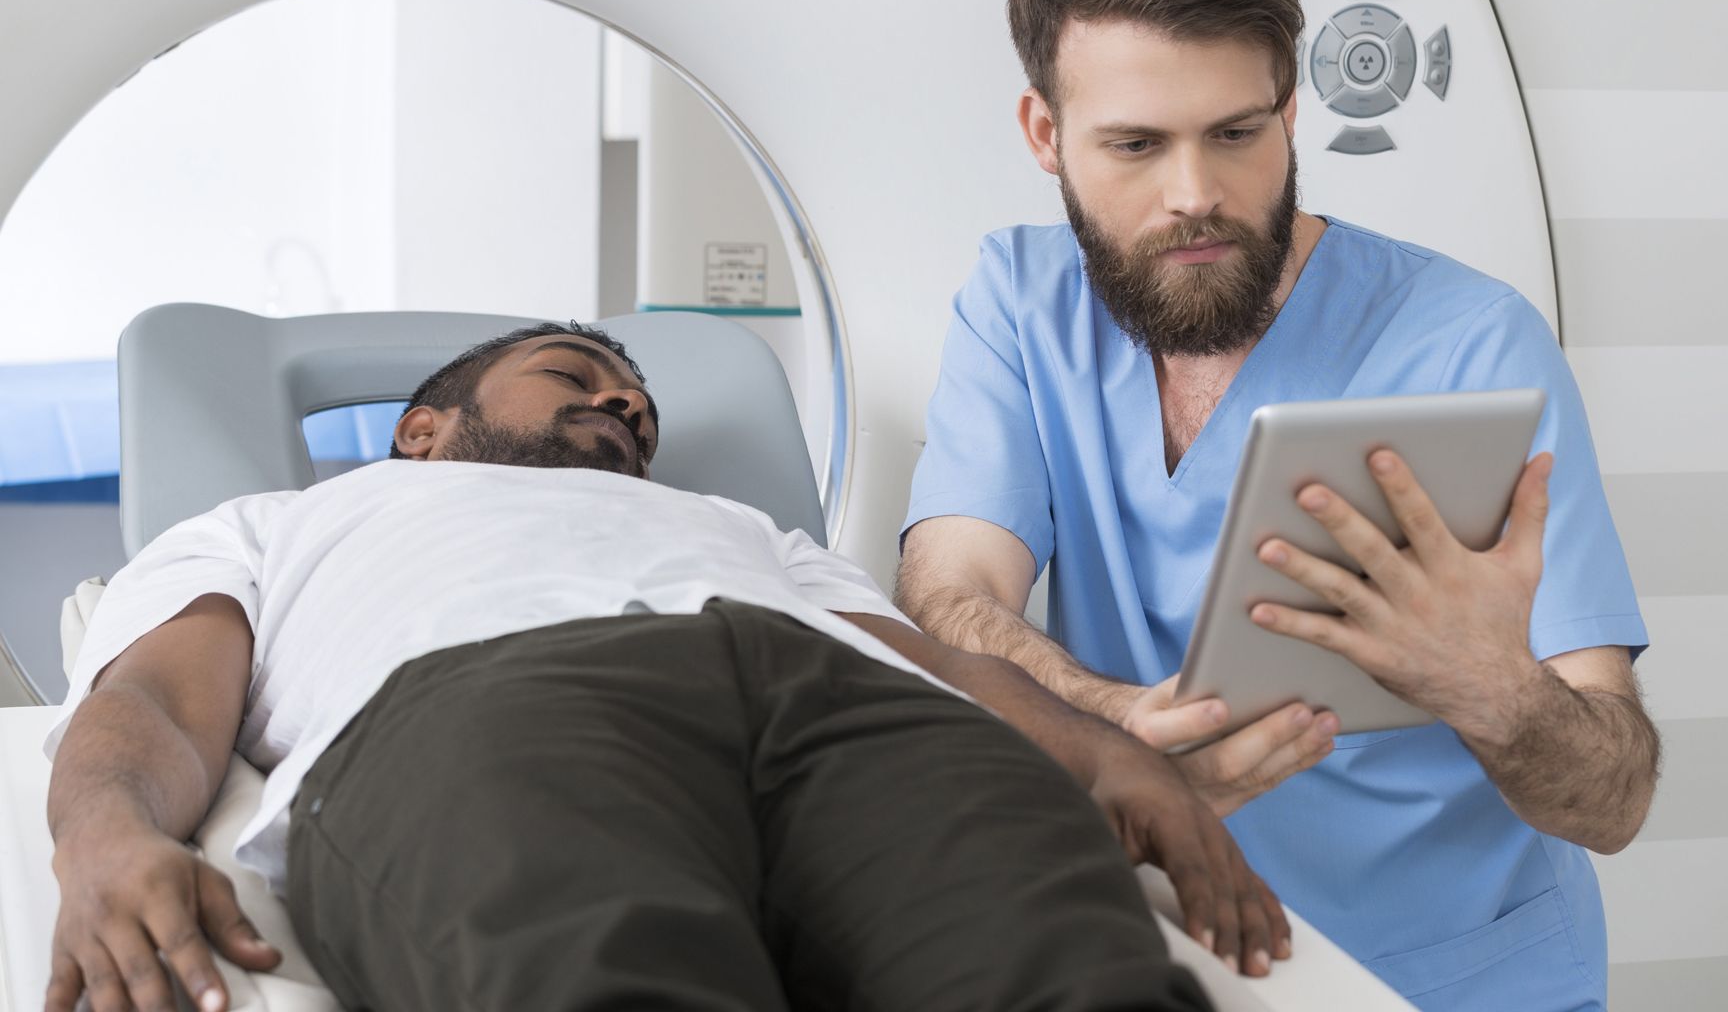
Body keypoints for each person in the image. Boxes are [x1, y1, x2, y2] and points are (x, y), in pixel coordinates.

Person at [895, 0, 1660, 1012]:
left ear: (1290, 112)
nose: (1195, 194)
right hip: (1166, 943)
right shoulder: (1019, 302)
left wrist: (1489, 685)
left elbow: (1614, 802)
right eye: (1136, 144)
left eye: (1236, 133)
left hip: (1455, 975)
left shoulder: (1469, 342)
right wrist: (1115, 723)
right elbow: (950, 594)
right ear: (1046, 135)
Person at [44, 320, 1290, 1012]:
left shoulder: (747, 528)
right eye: (572, 376)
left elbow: (932, 663)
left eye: (638, 402)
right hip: (493, 705)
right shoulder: (276, 523)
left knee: (1075, 976)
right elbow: (154, 700)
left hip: (841, 701)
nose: (624, 404)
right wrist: (103, 835)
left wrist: (1109, 757)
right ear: (421, 431)